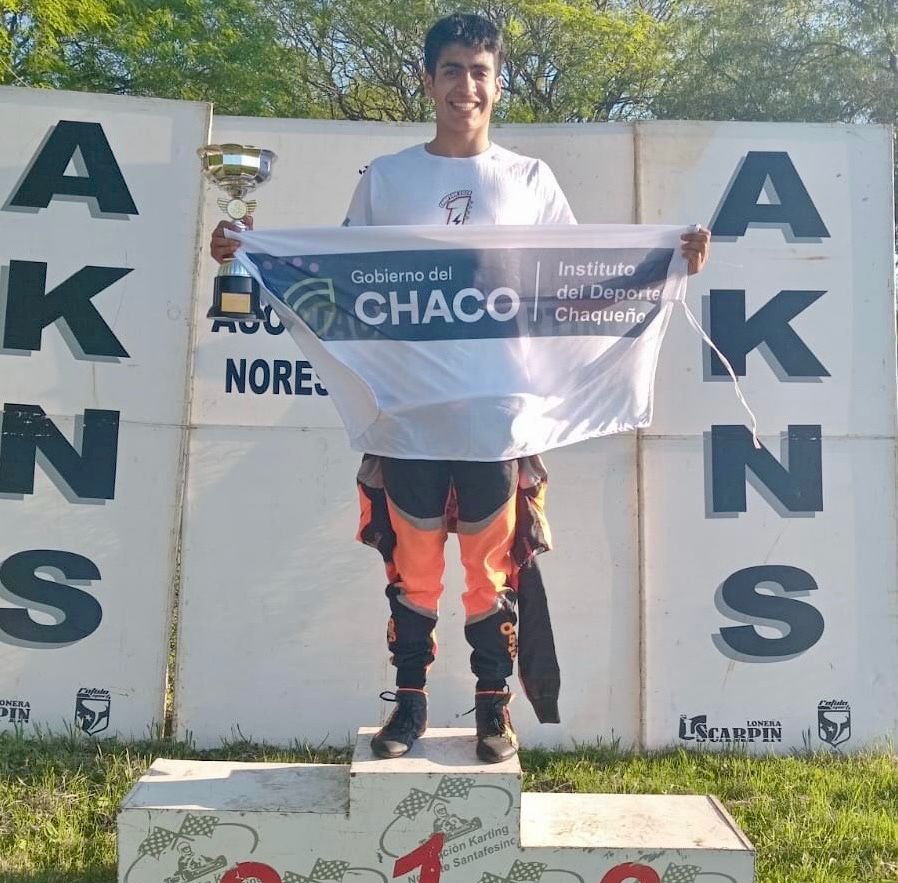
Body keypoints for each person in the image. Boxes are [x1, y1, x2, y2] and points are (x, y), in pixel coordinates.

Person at [211, 13, 711, 764]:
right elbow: (337, 280)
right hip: (407, 417)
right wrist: (248, 251)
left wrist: (665, 265)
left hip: (498, 418)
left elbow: (575, 284)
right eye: (451, 70)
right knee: (411, 573)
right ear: (427, 80)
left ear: (498, 84)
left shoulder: (530, 180)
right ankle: (408, 703)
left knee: (491, 573)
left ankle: (492, 710)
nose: (465, 86)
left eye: (480, 72)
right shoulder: (387, 179)